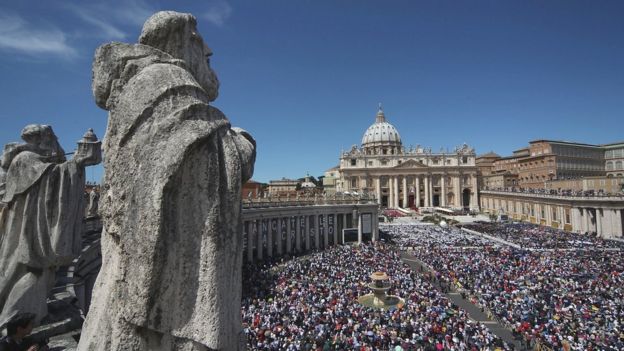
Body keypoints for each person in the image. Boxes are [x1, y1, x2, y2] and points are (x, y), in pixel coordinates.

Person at [78, 11, 255, 351]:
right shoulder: (167, 83)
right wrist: (244, 142)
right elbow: (210, 159)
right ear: (182, 42)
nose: (210, 52)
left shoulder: (145, 86)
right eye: (203, 48)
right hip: (156, 307)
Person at [0, 125, 100, 326]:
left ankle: (32, 314)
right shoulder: (25, 159)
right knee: (26, 274)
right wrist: (76, 163)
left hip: (32, 228)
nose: (56, 142)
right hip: (26, 231)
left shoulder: (35, 160)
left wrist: (73, 164)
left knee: (41, 276)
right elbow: (50, 179)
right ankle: (14, 320)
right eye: (52, 137)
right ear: (41, 139)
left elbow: (52, 174)